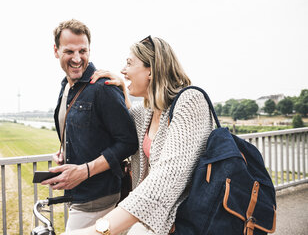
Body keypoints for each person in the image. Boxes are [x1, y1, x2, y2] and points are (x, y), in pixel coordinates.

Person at [62, 36, 214, 235]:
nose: (123, 70)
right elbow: (116, 129)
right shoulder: (146, 112)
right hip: (157, 219)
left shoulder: (191, 101)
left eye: (129, 63)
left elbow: (165, 179)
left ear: (151, 70)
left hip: (189, 219)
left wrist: (98, 231)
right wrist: (122, 89)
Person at [41, 19, 138, 232]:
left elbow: (129, 141)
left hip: (99, 198)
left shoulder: (103, 88)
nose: (77, 59)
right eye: (69, 51)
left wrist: (84, 171)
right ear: (56, 51)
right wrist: (65, 153)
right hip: (77, 196)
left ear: (89, 50)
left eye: (82, 51)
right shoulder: (66, 86)